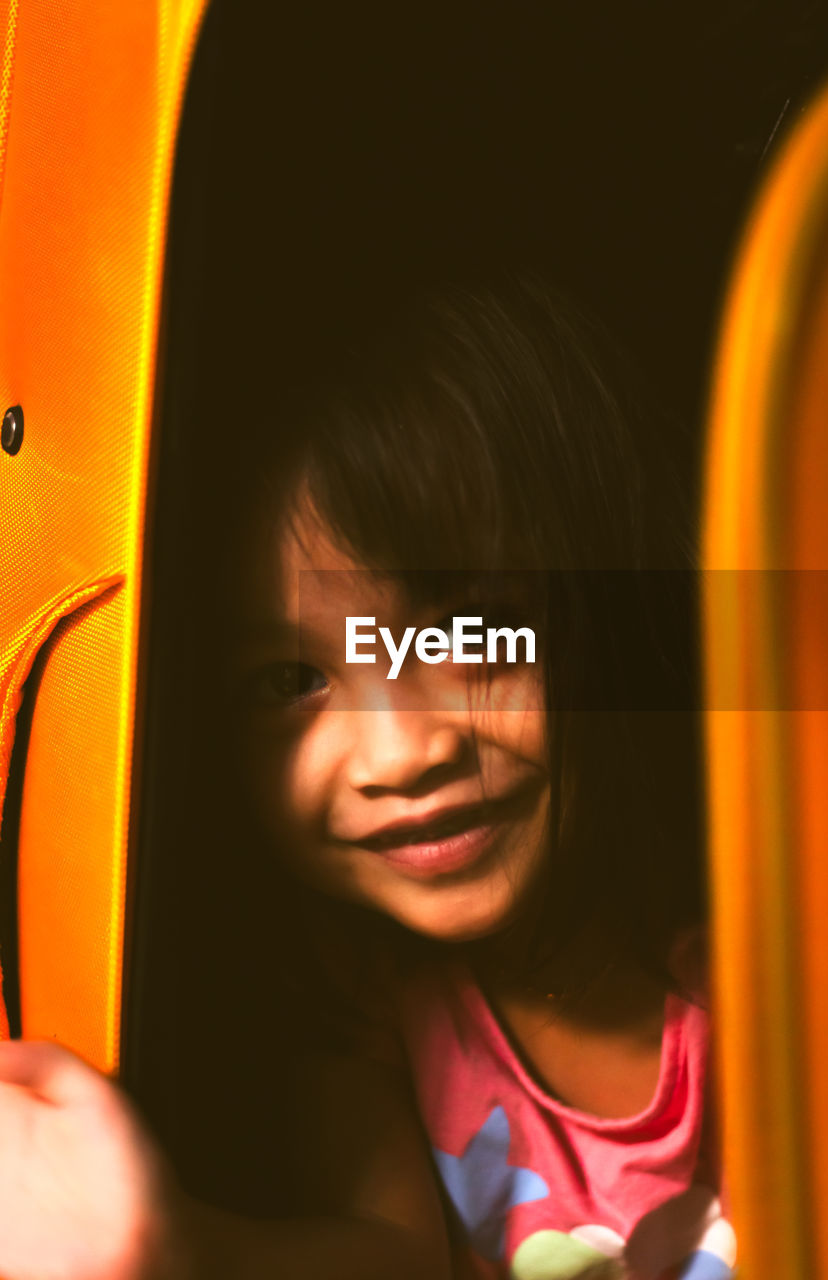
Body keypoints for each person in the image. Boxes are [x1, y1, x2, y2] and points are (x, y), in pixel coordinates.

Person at [0, 276, 733, 1280]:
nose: (400, 753)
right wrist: (170, 1247)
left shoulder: (760, 921)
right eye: (292, 679)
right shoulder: (360, 984)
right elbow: (396, 1255)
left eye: (463, 632)